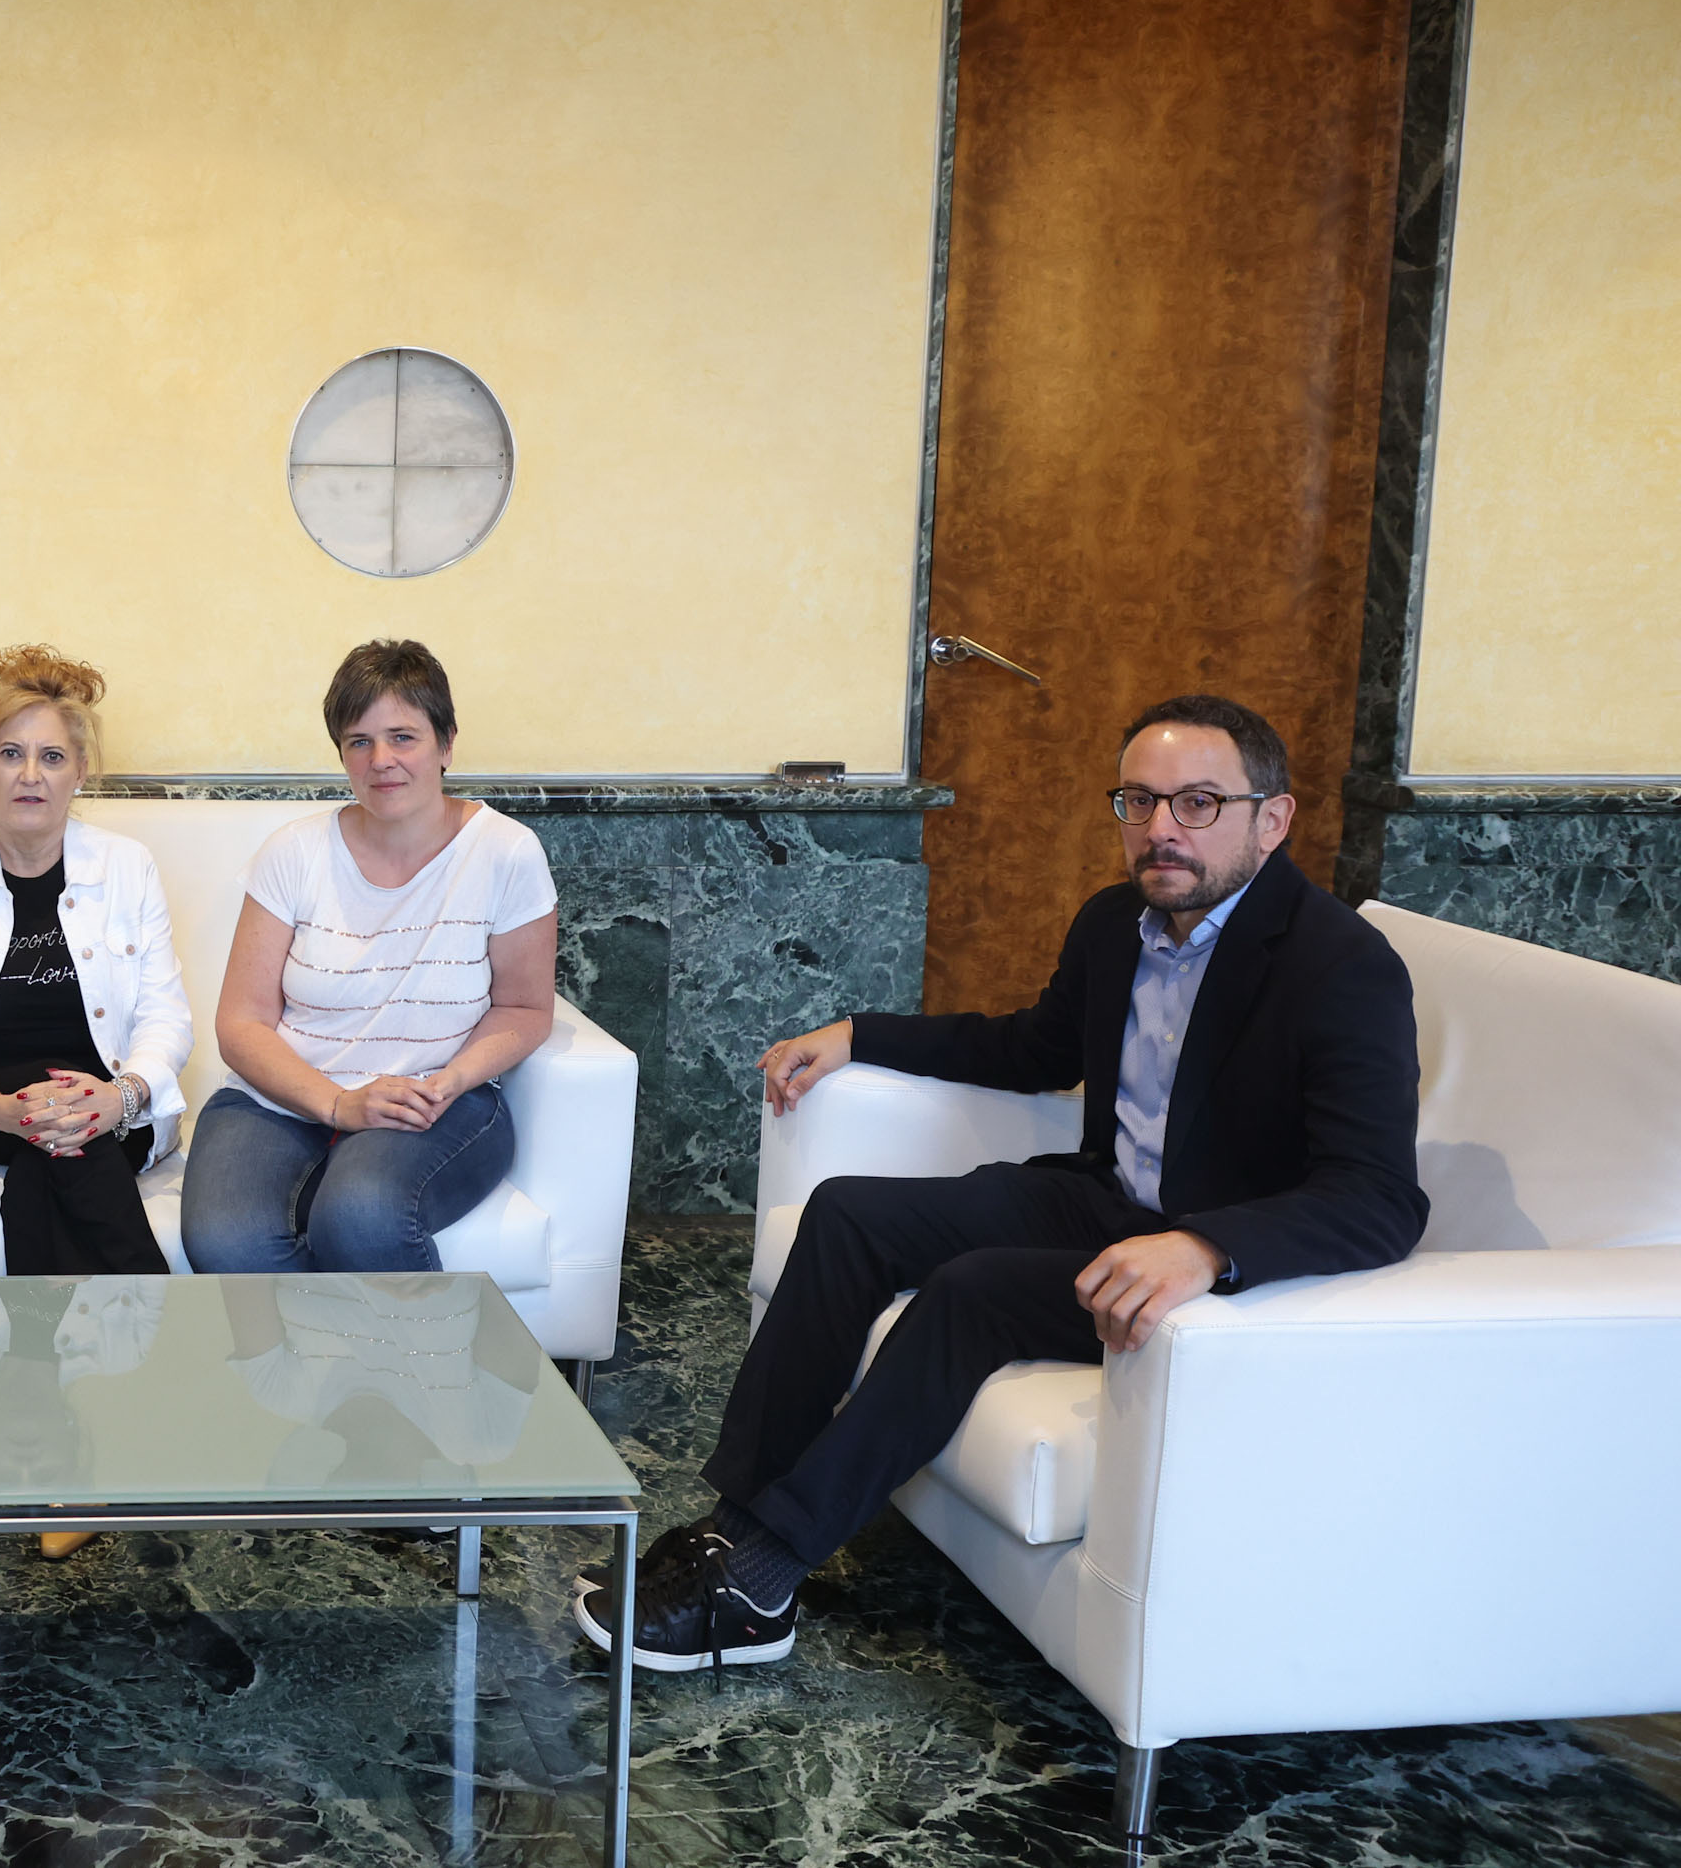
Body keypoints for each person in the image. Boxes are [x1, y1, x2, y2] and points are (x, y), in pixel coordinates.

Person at [585, 694, 1425, 1673]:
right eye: (1138, 801)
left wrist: (1205, 1247)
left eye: (1197, 803)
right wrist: (860, 1033)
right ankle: (732, 1530)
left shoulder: (1340, 968)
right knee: (848, 1211)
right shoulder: (1118, 923)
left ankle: (763, 1579)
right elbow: (1032, 1047)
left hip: (1187, 1259)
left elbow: (1378, 1198)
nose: (1160, 829)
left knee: (969, 1292)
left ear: (1269, 819)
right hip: (1102, 1200)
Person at [180, 639, 558, 1275]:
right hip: (284, 1098)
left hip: (434, 1099)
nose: (381, 760)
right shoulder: (293, 853)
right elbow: (240, 1023)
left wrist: (450, 1081)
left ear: (446, 742)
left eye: (402, 736)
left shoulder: (506, 852)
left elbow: (524, 1007)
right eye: (359, 742)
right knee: (226, 1241)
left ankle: (404, 1377)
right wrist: (336, 1104)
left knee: (358, 1216)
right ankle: (315, 1377)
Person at [0, 646, 192, 1280]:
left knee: (47, 1153)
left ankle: (31, 1360)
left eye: (52, 757)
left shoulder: (127, 866)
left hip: (108, 1100)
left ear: (79, 771)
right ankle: (154, 1320)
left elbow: (166, 1018)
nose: (30, 774)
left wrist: (123, 1098)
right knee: (54, 1137)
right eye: (11, 754)